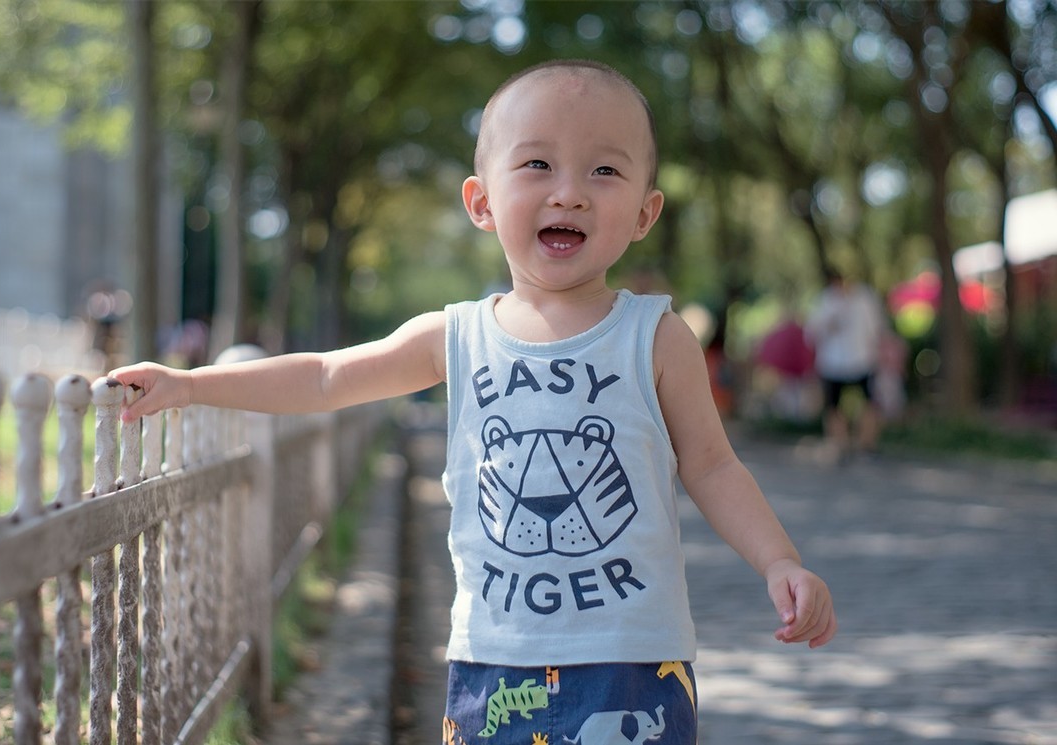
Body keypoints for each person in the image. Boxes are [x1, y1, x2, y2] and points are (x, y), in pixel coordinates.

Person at [111, 59, 836, 745]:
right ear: (482, 201)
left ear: (646, 213)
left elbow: (711, 465)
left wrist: (780, 561)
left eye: (605, 170)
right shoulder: (453, 336)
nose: (570, 191)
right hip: (494, 658)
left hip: (635, 658)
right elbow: (327, 376)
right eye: (537, 164)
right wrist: (189, 384)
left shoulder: (656, 336)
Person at [804, 269, 887, 460]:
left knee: (869, 402)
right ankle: (839, 442)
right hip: (833, 363)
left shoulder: (863, 299)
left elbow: (875, 328)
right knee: (834, 406)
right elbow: (811, 333)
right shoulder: (825, 301)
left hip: (862, 359)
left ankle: (867, 441)